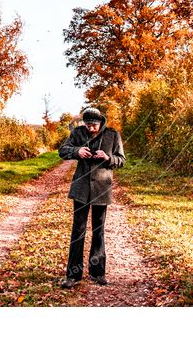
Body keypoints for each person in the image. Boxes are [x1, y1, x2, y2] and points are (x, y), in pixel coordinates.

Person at [57, 107, 125, 288]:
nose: (91, 129)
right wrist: (77, 152)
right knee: (78, 231)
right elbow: (62, 151)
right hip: (80, 189)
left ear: (100, 122)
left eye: (93, 125)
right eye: (87, 125)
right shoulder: (78, 132)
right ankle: (73, 275)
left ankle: (97, 273)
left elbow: (121, 160)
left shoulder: (112, 134)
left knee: (98, 231)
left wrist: (108, 157)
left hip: (102, 189)